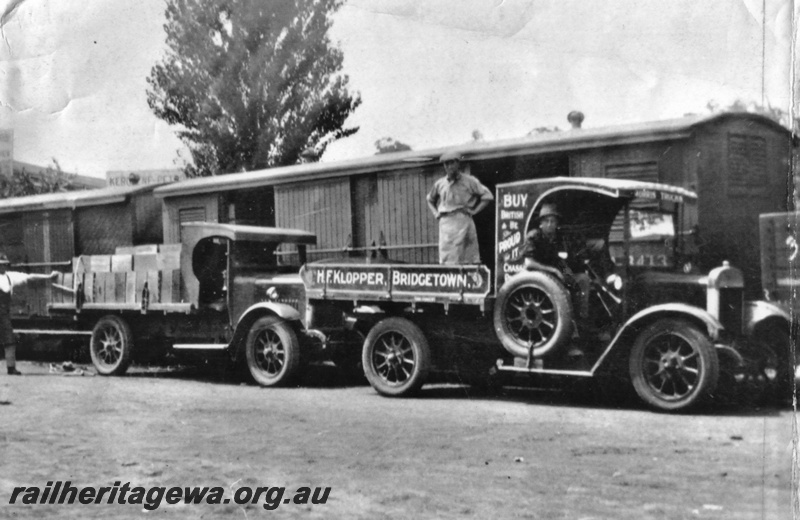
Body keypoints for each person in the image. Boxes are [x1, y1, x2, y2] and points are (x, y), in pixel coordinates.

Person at [426, 151, 494, 264]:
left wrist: (475, 211)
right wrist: (435, 213)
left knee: (469, 257)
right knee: (447, 259)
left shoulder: (470, 181)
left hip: (463, 220)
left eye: (451, 163)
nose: (448, 166)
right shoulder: (440, 184)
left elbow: (487, 196)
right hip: (446, 224)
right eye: (445, 164)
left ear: (458, 163)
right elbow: (429, 199)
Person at [0, 254, 58, 375]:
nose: (3, 266)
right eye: (1, 264)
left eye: (4, 264)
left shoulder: (10, 277)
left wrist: (48, 276)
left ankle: (11, 368)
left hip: (3, 313)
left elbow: (30, 277)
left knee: (9, 338)